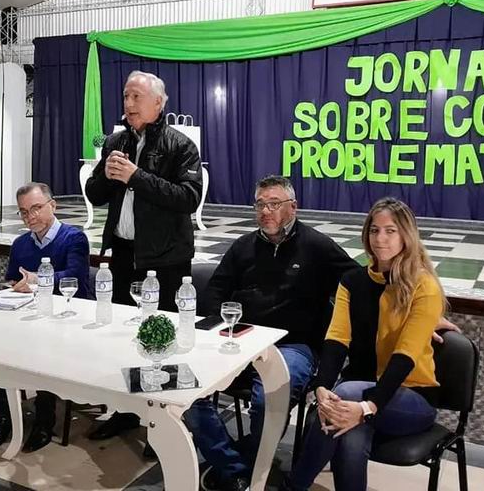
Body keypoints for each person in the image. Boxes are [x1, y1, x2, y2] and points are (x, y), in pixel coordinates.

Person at [184, 175, 359, 491]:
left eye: (274, 204)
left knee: (267, 399)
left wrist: (420, 313)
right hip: (241, 338)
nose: (266, 211)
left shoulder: (316, 246)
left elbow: (362, 284)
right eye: (260, 204)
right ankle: (237, 470)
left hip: (293, 345)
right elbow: (215, 291)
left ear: (293, 207)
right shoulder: (243, 247)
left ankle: (250, 465)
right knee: (187, 389)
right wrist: (220, 327)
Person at [282, 197, 446, 491]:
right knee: (348, 430)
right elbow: (336, 340)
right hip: (356, 394)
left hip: (410, 397)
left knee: (344, 397)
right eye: (374, 230)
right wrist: (322, 386)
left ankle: (294, 486)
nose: (380, 238)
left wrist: (368, 406)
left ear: (406, 236)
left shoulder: (425, 286)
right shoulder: (352, 281)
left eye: (390, 231)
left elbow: (405, 356)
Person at [85, 70, 202, 441]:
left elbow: (188, 198)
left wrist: (136, 176)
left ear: (159, 103)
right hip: (123, 254)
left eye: (137, 96)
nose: (129, 103)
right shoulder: (115, 142)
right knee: (124, 333)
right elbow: (95, 195)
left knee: (162, 339)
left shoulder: (180, 145)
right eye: (126, 96)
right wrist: (106, 175)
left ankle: (164, 427)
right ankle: (125, 411)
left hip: (166, 259)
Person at [0, 182, 93, 454]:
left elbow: (75, 277)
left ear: (53, 205)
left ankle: (44, 422)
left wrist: (37, 280)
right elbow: (12, 280)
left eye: (37, 208)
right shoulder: (20, 244)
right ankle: (3, 419)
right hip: (26, 317)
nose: (31, 217)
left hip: (67, 318)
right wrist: (15, 286)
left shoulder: (74, 238)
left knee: (46, 348)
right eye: (24, 212)